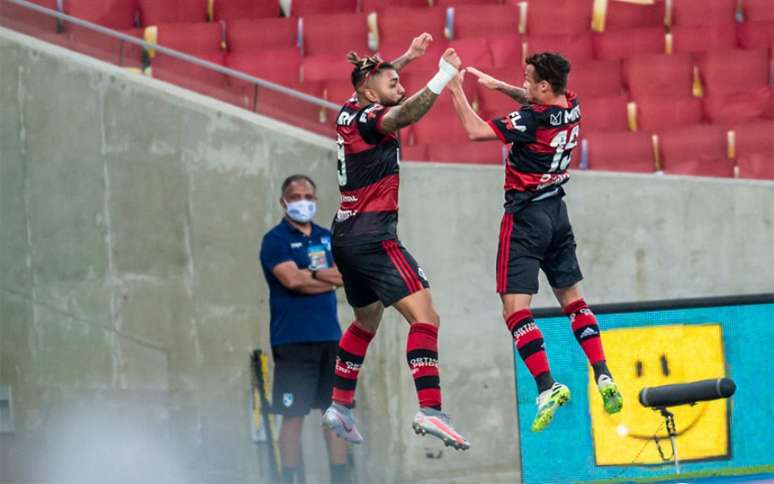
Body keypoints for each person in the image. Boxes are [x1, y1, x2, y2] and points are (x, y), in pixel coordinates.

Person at [445, 52, 623, 432]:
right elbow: (537, 105)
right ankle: (603, 373)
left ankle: (546, 385)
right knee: (573, 301)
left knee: (515, 309)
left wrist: (455, 88)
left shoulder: (530, 119)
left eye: (527, 79)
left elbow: (476, 131)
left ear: (544, 86)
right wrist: (500, 87)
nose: (523, 84)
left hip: (525, 218)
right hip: (558, 214)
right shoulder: (572, 105)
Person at [320, 33, 470, 451]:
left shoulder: (351, 109)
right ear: (369, 91)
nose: (400, 87)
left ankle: (340, 405)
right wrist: (440, 76)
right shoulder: (372, 119)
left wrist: (407, 57)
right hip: (374, 235)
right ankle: (431, 408)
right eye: (393, 84)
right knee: (426, 318)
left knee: (366, 320)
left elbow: (381, 84)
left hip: (345, 235)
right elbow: (403, 114)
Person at [259, 174, 350, 483]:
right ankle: (289, 478)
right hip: (293, 341)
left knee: (334, 414)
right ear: (283, 201)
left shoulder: (327, 237)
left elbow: (345, 277)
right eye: (296, 196)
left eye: (308, 196)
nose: (303, 202)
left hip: (330, 338)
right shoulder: (275, 240)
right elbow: (292, 281)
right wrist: (323, 279)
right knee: (293, 415)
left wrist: (310, 270)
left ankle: (340, 477)